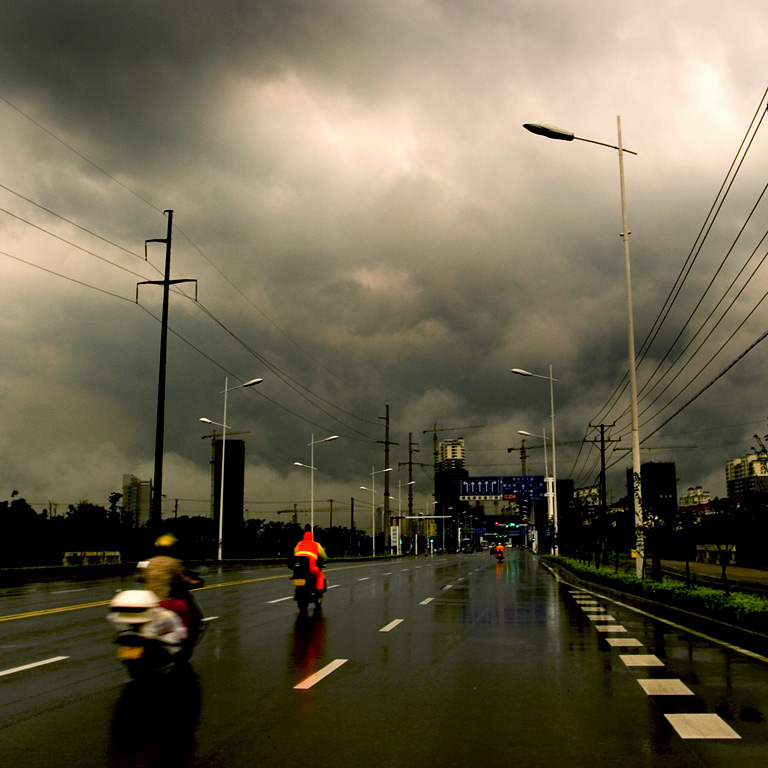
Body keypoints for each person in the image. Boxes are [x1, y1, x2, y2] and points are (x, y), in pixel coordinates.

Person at [138, 534, 201, 630]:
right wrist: (193, 582)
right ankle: (183, 632)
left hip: (147, 602)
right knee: (184, 606)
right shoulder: (173, 562)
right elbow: (182, 578)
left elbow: (141, 577)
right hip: (163, 602)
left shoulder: (149, 561)